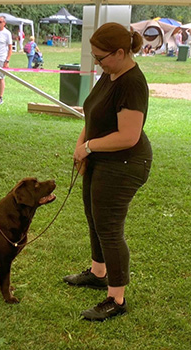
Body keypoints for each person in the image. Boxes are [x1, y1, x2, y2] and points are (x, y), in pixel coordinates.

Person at [63, 22, 152, 321]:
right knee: (93, 215)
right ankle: (98, 272)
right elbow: (92, 114)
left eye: (101, 57)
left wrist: (88, 148)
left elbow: (129, 136)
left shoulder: (132, 83)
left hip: (126, 163)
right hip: (102, 157)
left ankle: (116, 298)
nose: (97, 62)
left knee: (109, 227)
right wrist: (81, 146)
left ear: (120, 52)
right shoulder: (109, 73)